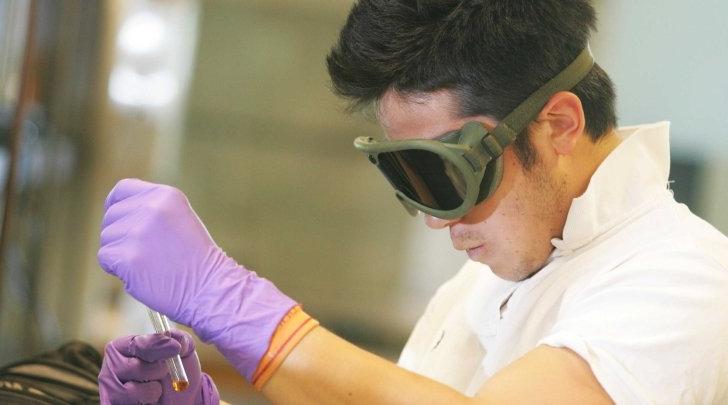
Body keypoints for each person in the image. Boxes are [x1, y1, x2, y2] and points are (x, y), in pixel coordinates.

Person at [96, 0, 728, 403]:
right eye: (409, 178)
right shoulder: (484, 283)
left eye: (446, 176)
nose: (434, 218)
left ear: (560, 124)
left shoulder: (689, 281)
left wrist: (232, 305)